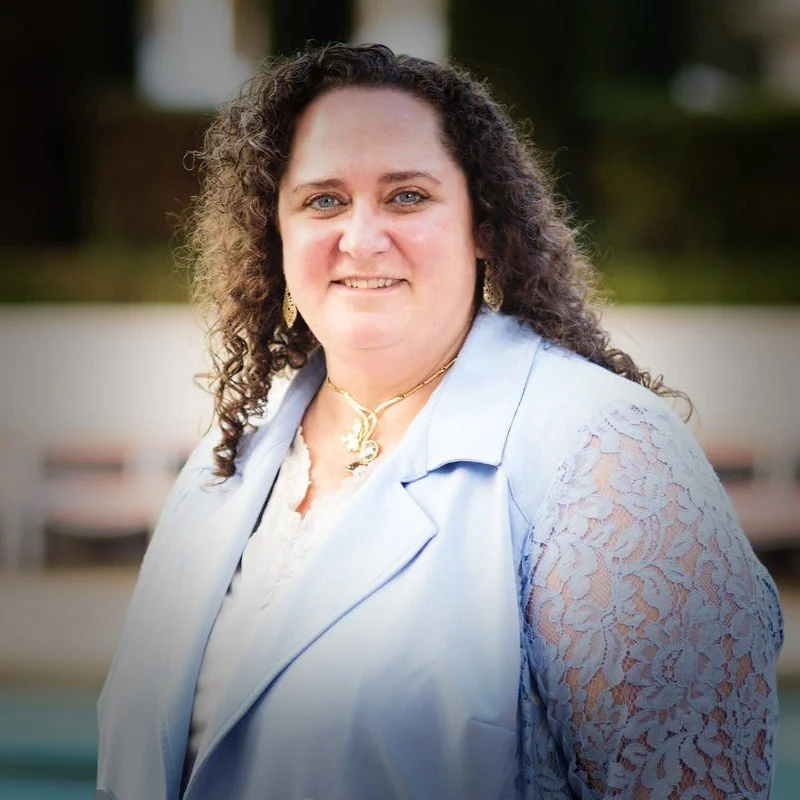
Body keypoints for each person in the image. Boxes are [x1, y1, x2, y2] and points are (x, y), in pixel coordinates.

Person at [95, 42, 783, 800]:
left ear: (484, 225)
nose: (361, 238)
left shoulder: (608, 460)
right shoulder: (227, 463)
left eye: (407, 196)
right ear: (276, 234)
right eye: (323, 199)